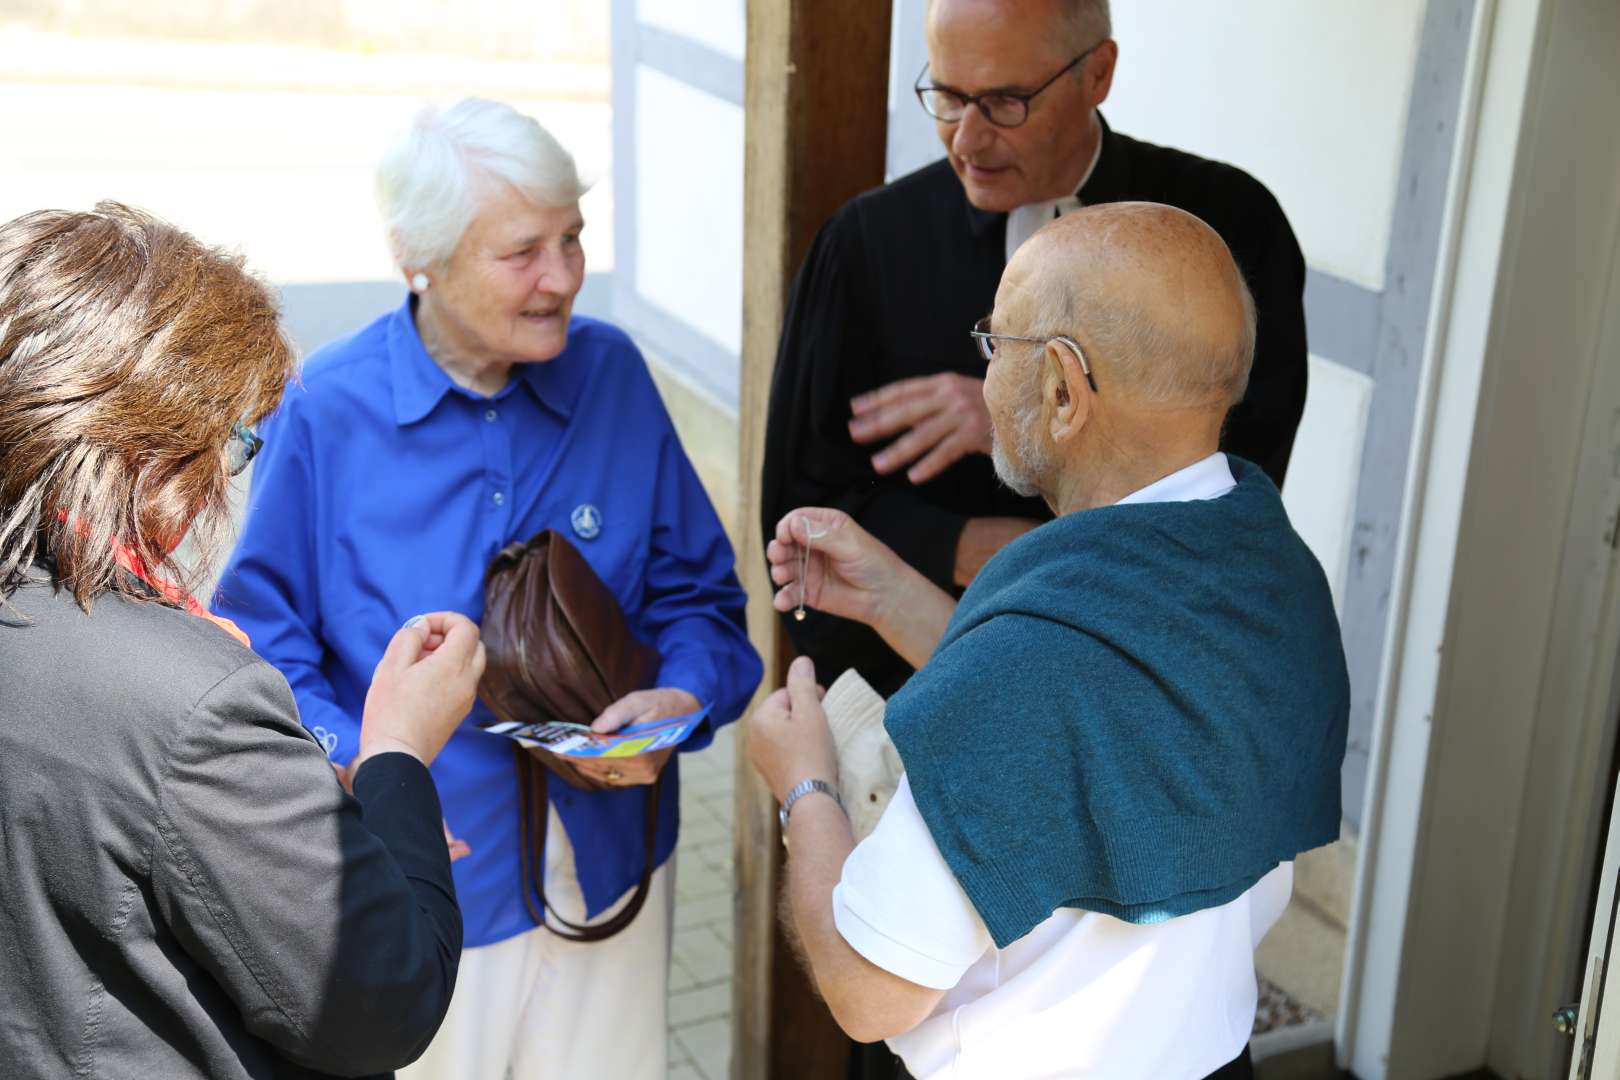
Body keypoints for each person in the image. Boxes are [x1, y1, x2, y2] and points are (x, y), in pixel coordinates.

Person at [214, 98, 763, 1080]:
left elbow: (705, 607)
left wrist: (679, 704)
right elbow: (262, 655)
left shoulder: (615, 377)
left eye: (573, 239)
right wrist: (368, 765)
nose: (563, 278)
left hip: (612, 862)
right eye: (523, 252)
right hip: (423, 874)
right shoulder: (325, 410)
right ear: (419, 257)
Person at [749, 203, 1349, 1080]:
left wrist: (804, 785)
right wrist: (894, 596)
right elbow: (1102, 723)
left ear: (1064, 390)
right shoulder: (1273, 571)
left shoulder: (1034, 670)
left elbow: (868, 989)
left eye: (997, 345)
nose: (984, 374)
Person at [0, 202, 483, 1080]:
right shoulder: (191, 702)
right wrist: (398, 754)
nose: (230, 474)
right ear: (154, 450)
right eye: (236, 439)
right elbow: (384, 999)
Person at [761, 0, 1310, 700]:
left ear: (1098, 73)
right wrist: (980, 545)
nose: (966, 140)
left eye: (1005, 101)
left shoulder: (1227, 227)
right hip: (897, 706)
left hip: (1133, 697)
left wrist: (1020, 424)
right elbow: (799, 514)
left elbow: (1231, 506)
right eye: (949, 96)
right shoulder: (864, 245)